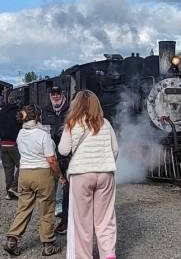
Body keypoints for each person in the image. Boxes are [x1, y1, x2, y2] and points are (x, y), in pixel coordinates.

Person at [58, 90, 119, 259]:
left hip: (81, 174)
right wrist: (105, 163)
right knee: (106, 218)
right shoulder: (105, 123)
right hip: (105, 175)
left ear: (76, 105)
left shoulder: (72, 123)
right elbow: (115, 150)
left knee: (82, 221)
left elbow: (63, 150)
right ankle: (108, 255)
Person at [4, 104, 66, 257]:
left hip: (24, 174)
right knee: (46, 210)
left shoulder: (21, 133)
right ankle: (48, 244)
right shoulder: (43, 135)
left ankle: (12, 239)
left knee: (23, 208)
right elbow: (51, 159)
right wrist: (60, 176)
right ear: (37, 117)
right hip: (42, 173)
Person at [42, 85, 70, 234]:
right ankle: (48, 224)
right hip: (50, 152)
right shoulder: (45, 111)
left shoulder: (69, 109)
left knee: (65, 186)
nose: (55, 96)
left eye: (58, 93)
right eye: (53, 93)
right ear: (50, 95)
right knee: (49, 186)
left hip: (66, 154)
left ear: (62, 94)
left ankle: (64, 220)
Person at [0, 96, 22, 200]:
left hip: (3, 143)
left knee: (8, 169)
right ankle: (14, 187)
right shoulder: (18, 113)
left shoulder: (1, 112)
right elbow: (21, 126)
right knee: (23, 165)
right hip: (14, 143)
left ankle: (9, 192)